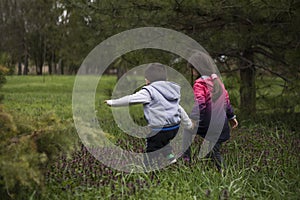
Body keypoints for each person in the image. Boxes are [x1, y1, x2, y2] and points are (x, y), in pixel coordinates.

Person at [105, 63, 193, 167]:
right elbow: (179, 108)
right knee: (164, 143)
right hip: (174, 128)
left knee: (151, 148)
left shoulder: (149, 91)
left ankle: (148, 168)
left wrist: (113, 102)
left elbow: (131, 99)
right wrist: (188, 124)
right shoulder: (171, 91)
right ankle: (172, 160)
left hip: (160, 130)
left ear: (148, 80)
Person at [182, 51, 238, 173]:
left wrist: (193, 119)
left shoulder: (199, 84)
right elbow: (226, 102)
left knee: (186, 130)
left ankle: (186, 159)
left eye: (192, 69)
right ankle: (217, 171)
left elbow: (200, 104)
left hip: (207, 124)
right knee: (212, 151)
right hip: (221, 125)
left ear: (197, 68)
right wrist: (231, 116)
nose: (192, 72)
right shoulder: (218, 82)